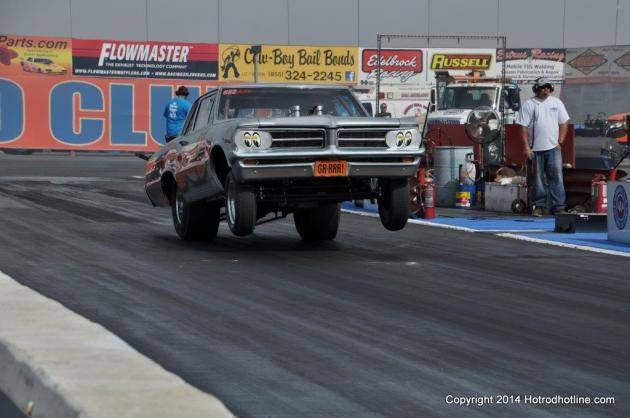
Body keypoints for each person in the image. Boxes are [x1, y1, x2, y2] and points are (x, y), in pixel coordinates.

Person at [516, 77, 570, 216]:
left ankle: (558, 206)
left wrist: (560, 142)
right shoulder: (529, 104)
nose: (545, 89)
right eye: (542, 87)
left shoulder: (557, 103)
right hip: (535, 149)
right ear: (536, 89)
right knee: (537, 180)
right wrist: (526, 147)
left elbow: (564, 123)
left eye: (547, 87)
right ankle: (538, 206)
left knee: (557, 177)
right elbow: (522, 127)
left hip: (553, 148)